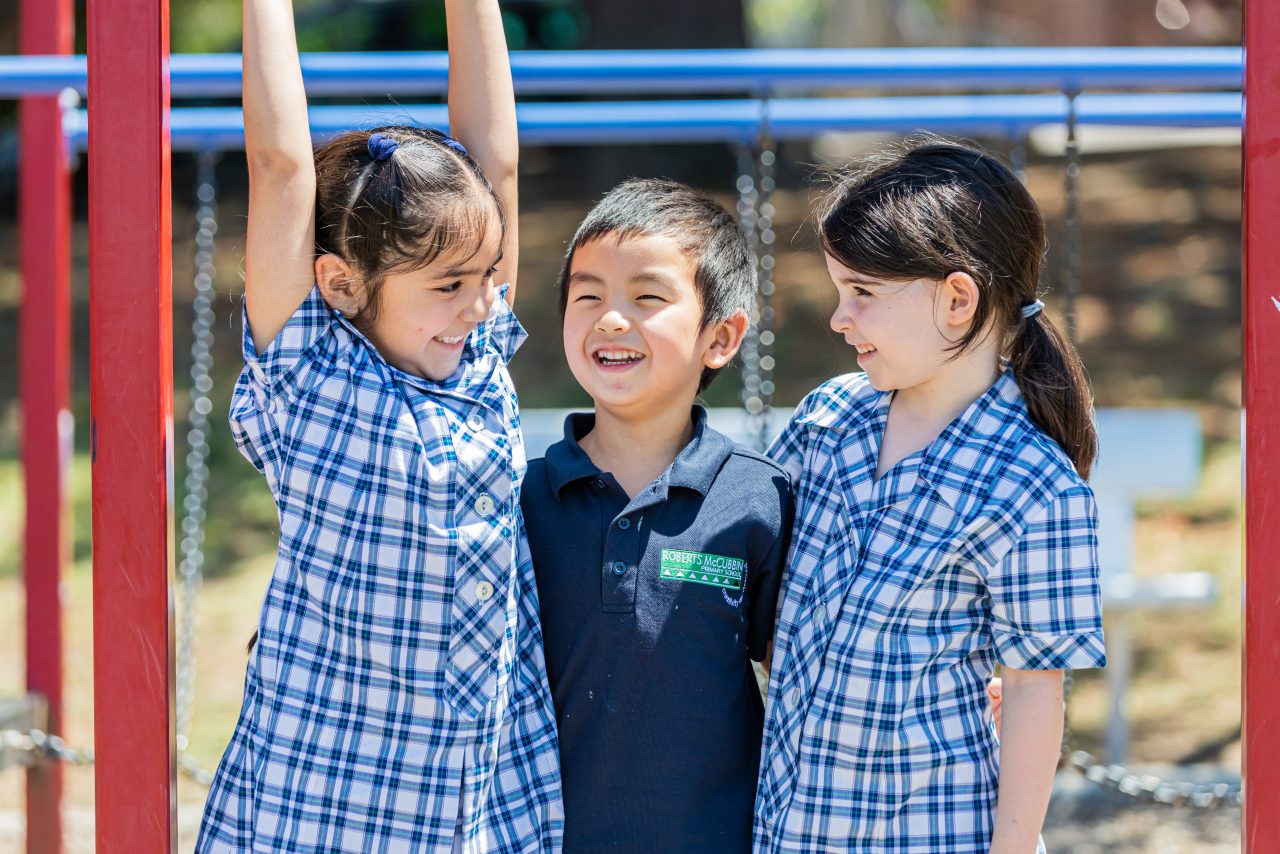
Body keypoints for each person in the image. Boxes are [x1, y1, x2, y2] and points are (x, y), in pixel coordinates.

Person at [196, 0, 561, 850]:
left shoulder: (474, 360)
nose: (482, 303)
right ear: (339, 282)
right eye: (447, 286)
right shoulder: (313, 379)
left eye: (486, 276)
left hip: (480, 769)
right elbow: (281, 165)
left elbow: (494, 163)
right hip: (334, 771)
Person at [754, 138, 1107, 854]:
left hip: (932, 834)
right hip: (790, 829)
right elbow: (755, 575)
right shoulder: (830, 421)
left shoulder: (1033, 486)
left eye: (862, 294)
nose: (838, 317)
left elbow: (1035, 693)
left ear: (957, 299)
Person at [520, 179, 792, 852]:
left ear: (721, 338)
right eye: (588, 296)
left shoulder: (758, 499)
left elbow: (806, 668)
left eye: (647, 297)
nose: (610, 319)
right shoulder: (516, 501)